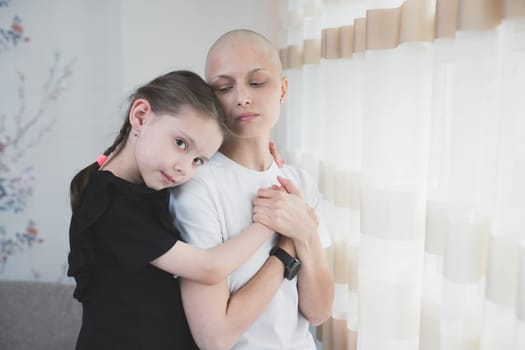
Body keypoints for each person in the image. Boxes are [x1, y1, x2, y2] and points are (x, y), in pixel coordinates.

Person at [67, 70, 297, 349]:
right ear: (141, 116)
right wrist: (270, 220)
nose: (183, 169)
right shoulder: (110, 204)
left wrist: (261, 161)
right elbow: (209, 268)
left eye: (199, 160)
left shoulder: (151, 187)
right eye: (180, 143)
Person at [170, 29, 334, 349]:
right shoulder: (198, 188)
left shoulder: (299, 182)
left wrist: (306, 235)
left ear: (283, 89)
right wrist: (288, 245)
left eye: (257, 82)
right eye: (224, 87)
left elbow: (318, 312)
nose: (242, 97)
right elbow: (214, 338)